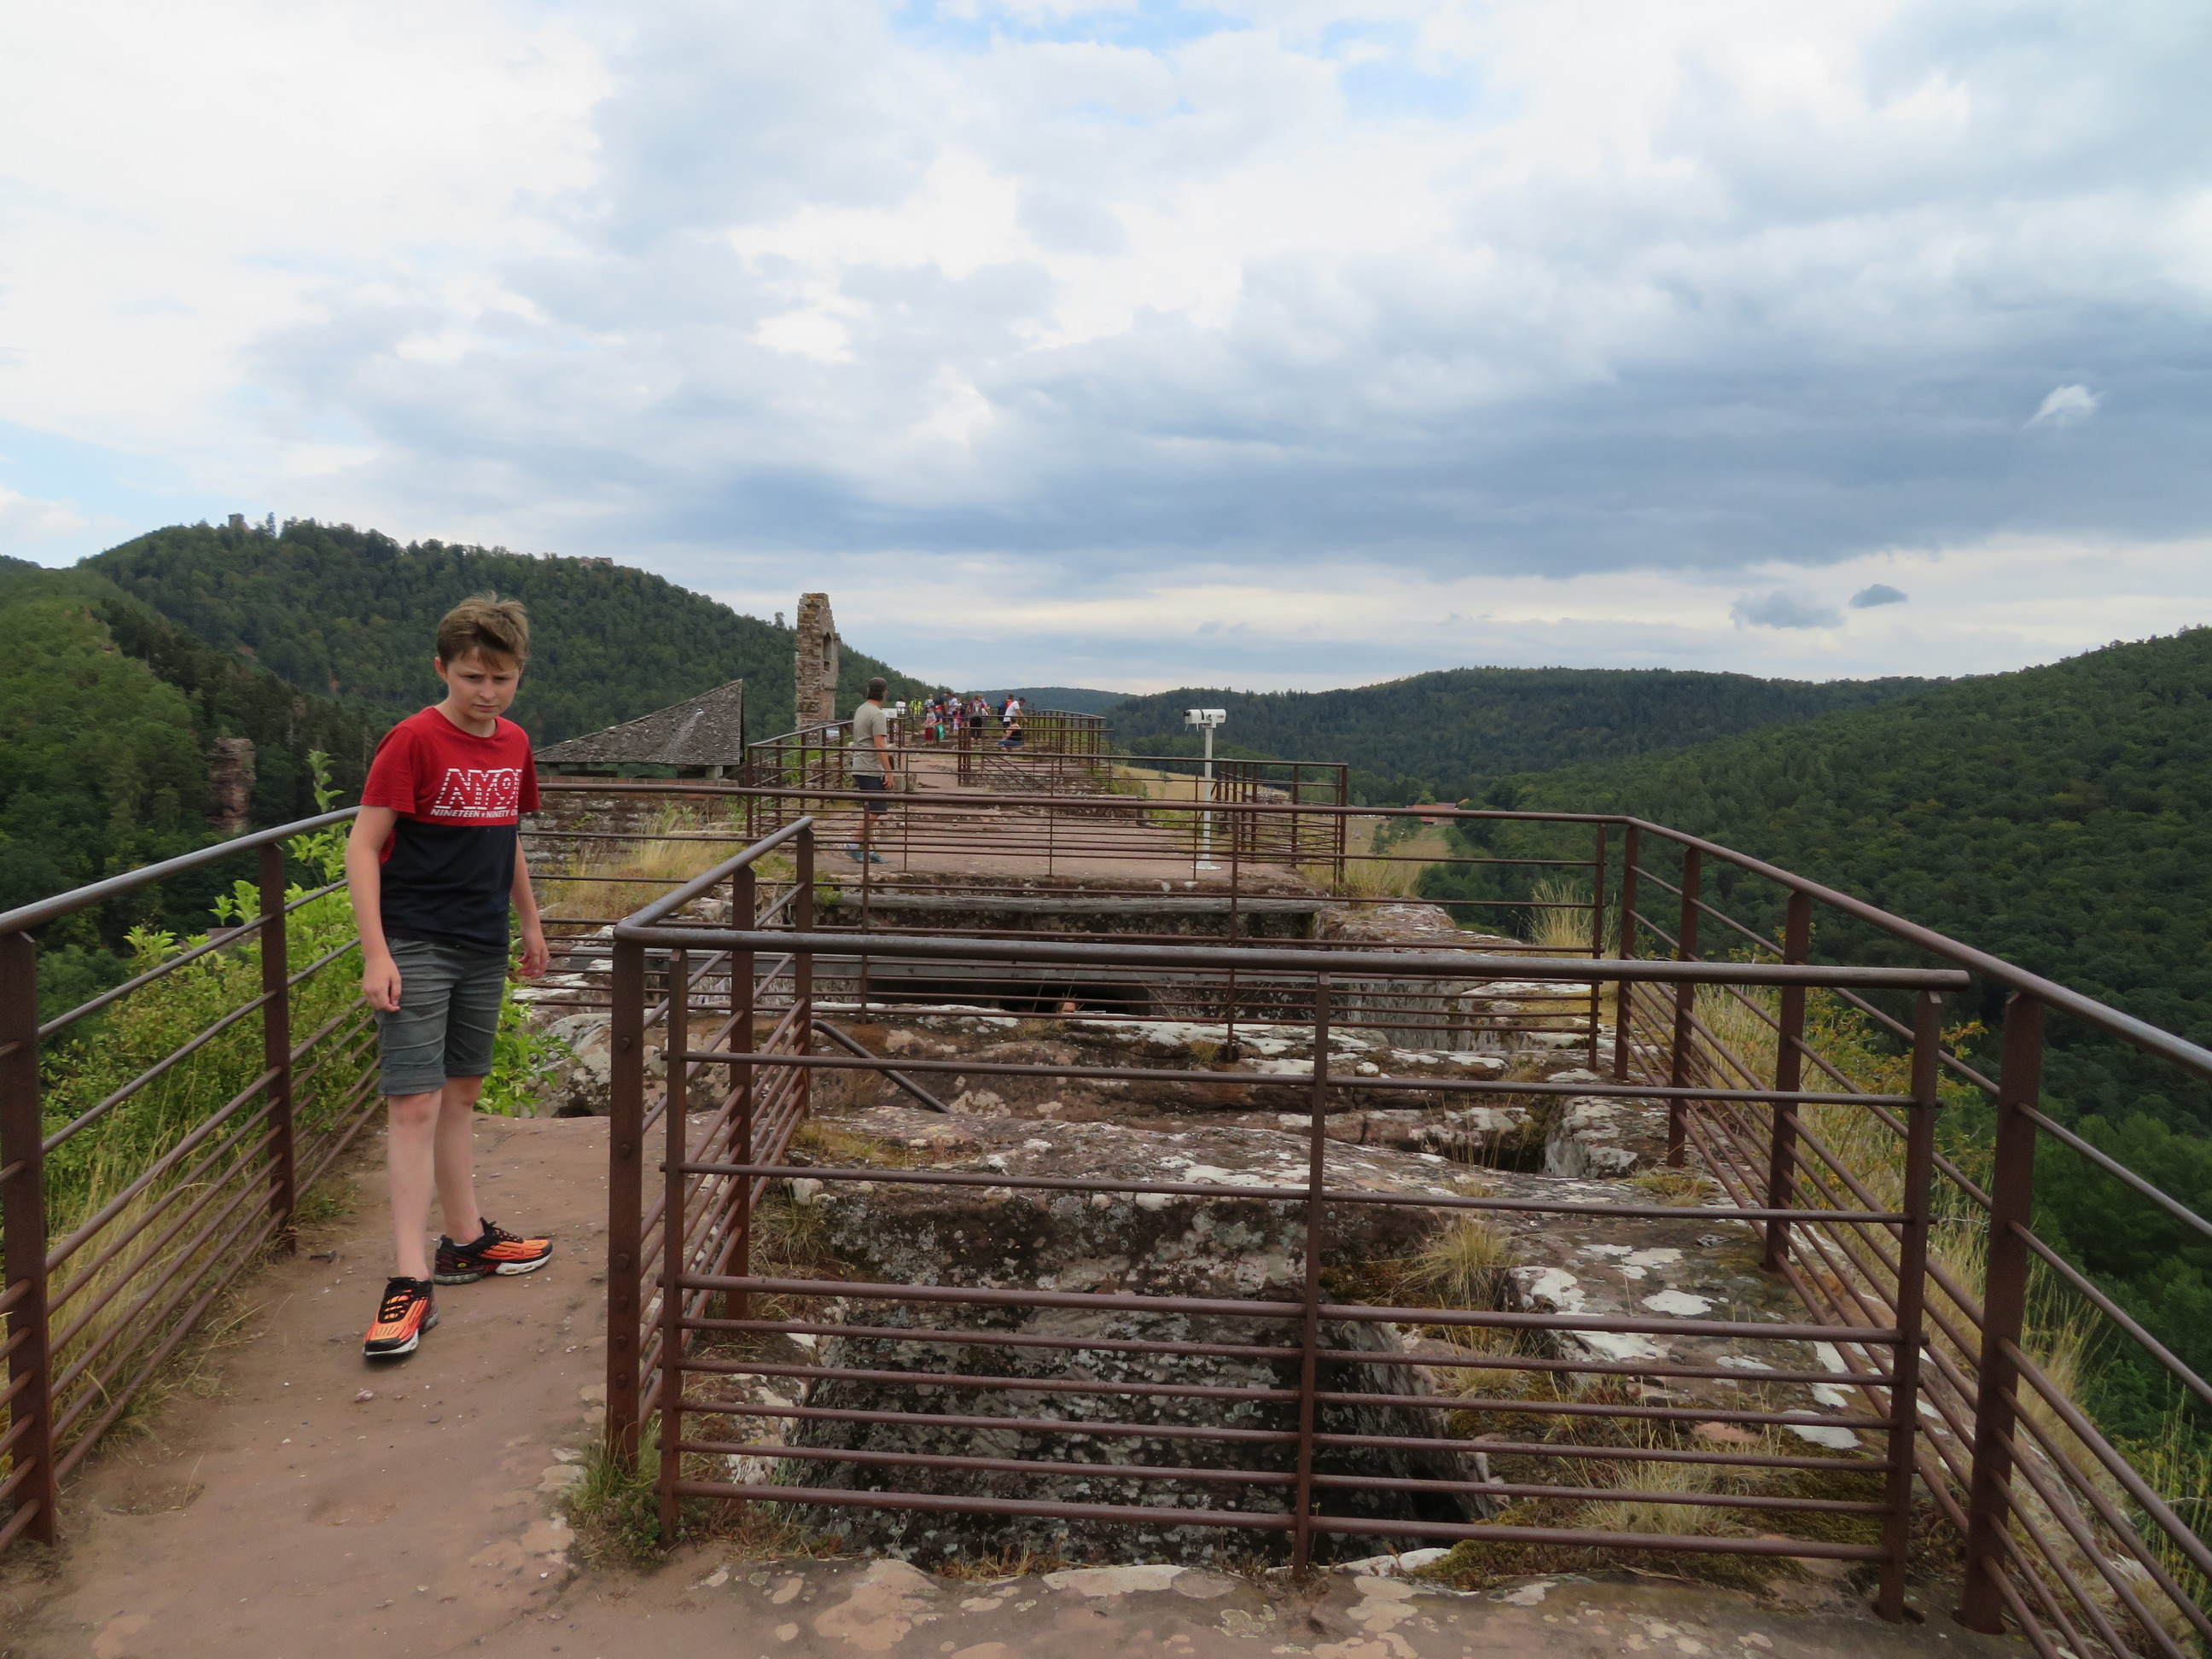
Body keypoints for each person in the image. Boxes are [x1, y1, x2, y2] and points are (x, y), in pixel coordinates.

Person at [346, 595, 555, 1360]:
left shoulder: (516, 743)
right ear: (442, 668)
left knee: (462, 1092)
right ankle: (410, 1280)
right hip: (416, 943)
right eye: (472, 677)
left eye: (502, 678)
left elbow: (507, 836)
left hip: (482, 941)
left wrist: (529, 922)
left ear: (519, 674)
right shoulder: (412, 740)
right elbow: (362, 846)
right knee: (413, 1104)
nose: (487, 693)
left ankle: (465, 1241)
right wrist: (376, 953)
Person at [847, 676, 895, 864]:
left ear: (868, 691)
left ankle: (870, 851)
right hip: (870, 768)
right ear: (885, 693)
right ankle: (853, 846)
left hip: (859, 764)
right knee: (876, 809)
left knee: (870, 809)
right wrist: (889, 772)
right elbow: (879, 745)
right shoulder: (877, 714)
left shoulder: (861, 709)